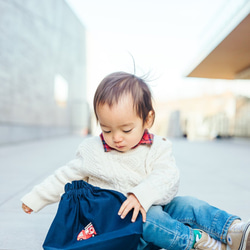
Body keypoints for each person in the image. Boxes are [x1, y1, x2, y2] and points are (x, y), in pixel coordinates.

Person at [21, 71, 250, 250]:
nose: (116, 138)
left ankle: (233, 229)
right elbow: (66, 176)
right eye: (106, 129)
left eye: (126, 129)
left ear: (147, 119)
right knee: (148, 218)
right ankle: (196, 242)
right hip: (122, 228)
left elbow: (167, 177)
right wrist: (37, 197)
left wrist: (141, 195)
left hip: (157, 210)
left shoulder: (157, 147)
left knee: (188, 203)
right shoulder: (92, 151)